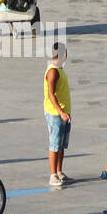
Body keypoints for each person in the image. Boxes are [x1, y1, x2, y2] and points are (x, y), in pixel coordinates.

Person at [43, 42, 71, 189]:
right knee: (55, 144)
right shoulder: (53, 71)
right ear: (62, 54)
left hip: (64, 114)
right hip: (56, 114)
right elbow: (51, 95)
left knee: (61, 145)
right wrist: (61, 112)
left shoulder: (60, 69)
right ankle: (53, 174)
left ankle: (59, 171)